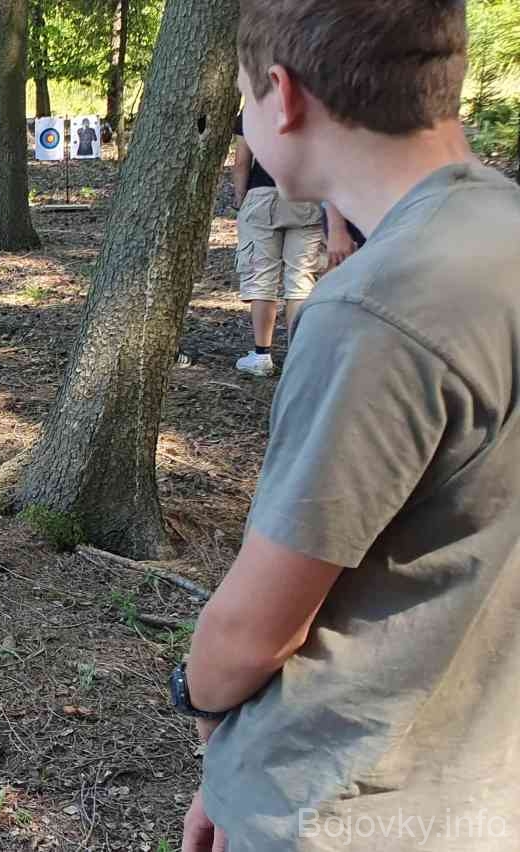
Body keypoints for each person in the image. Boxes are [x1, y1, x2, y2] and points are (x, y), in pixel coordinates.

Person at [176, 3, 520, 851]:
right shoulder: (500, 234)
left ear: (284, 96)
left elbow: (257, 627)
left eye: (243, 102)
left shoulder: (377, 304)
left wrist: (207, 716)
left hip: (345, 806)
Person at [230, 113, 327, 377]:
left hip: (262, 195)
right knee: (301, 278)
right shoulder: (315, 103)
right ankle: (298, 356)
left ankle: (261, 355)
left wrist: (240, 199)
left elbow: (242, 162)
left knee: (262, 277)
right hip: (306, 195)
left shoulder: (255, 107)